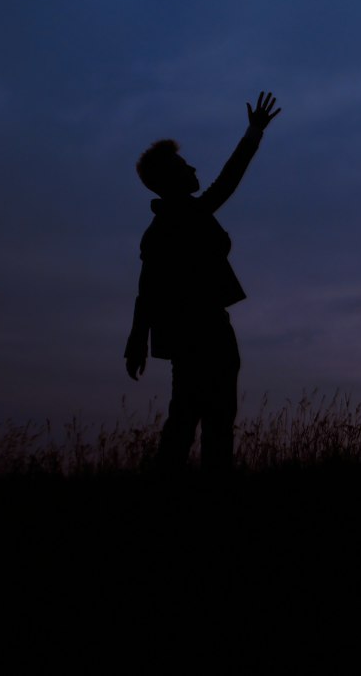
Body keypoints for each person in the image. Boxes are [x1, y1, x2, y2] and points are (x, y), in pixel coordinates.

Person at [125, 91, 281, 474]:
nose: (192, 167)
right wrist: (136, 340)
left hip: (204, 327)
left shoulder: (181, 217)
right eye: (183, 164)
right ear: (170, 179)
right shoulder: (172, 223)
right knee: (196, 418)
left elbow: (227, 181)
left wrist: (252, 133)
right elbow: (147, 289)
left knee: (204, 417)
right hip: (197, 331)